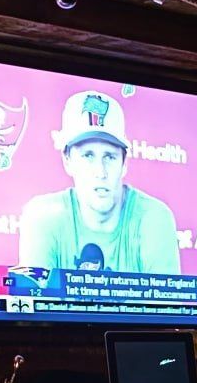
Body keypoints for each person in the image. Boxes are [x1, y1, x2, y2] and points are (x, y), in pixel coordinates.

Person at [18, 91, 182, 281]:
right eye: (88, 155)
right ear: (67, 161)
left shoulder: (153, 216)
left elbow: (166, 308)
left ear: (124, 163)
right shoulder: (43, 215)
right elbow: (35, 304)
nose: (100, 172)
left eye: (109, 157)